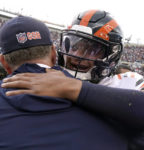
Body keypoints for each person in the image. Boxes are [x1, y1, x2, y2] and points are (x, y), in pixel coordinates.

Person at [0, 15, 132, 150]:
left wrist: (77, 88)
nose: (77, 56)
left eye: (93, 50)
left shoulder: (121, 88)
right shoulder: (112, 117)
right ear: (54, 52)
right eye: (73, 45)